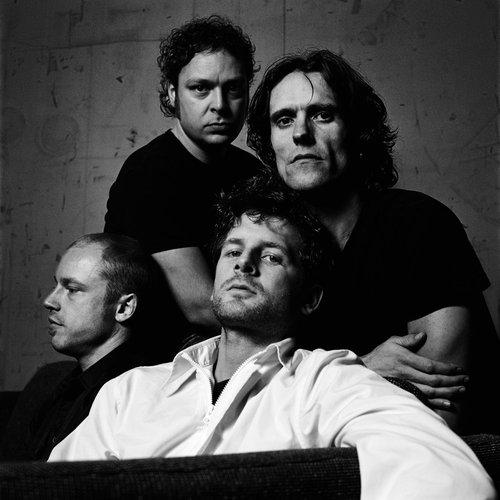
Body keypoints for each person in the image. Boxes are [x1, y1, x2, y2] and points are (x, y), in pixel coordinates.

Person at [48, 177, 495, 499]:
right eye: (233, 251)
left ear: (310, 298)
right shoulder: (129, 391)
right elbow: (52, 489)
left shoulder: (328, 383)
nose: (244, 264)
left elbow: (440, 475)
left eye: (272, 257)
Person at [246, 49, 500, 433]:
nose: (300, 132)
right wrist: (359, 367)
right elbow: (252, 401)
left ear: (355, 130)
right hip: (329, 452)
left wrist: (315, 382)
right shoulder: (271, 251)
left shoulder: (420, 225)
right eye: (284, 119)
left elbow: (437, 414)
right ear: (270, 142)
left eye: (322, 114)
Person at [103, 15, 263, 350]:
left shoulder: (252, 172)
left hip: (234, 346)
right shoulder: (149, 173)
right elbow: (203, 307)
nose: (220, 105)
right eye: (201, 88)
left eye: (233, 88)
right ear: (173, 93)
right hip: (160, 360)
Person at [1, 233, 167, 461]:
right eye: (56, 285)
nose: (49, 301)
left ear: (124, 308)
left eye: (72, 289)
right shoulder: (61, 387)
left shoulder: (137, 395)